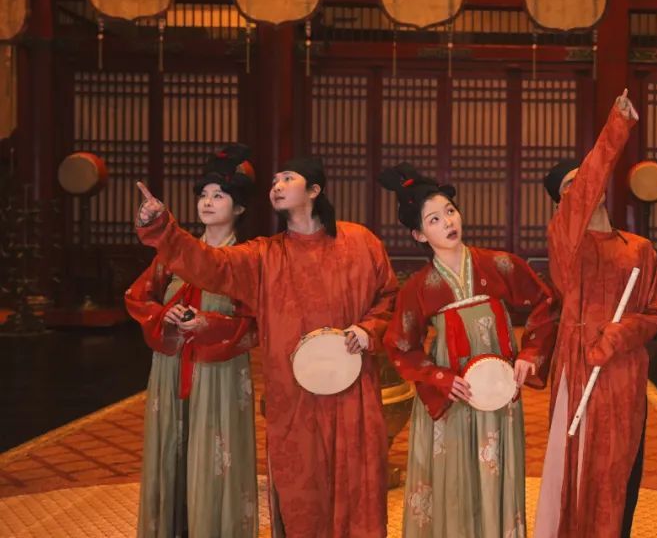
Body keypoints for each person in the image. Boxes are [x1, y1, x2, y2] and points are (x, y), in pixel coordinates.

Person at [133, 156, 398, 538]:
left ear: (314, 189)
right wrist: (162, 228)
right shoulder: (265, 255)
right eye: (274, 181)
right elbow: (210, 264)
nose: (277, 185)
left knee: (359, 483)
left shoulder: (360, 242)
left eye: (288, 178)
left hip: (352, 388)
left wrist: (368, 329)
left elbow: (388, 297)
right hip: (293, 393)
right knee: (301, 489)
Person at [378, 163, 558, 538]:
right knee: (455, 475)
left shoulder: (499, 264)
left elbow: (545, 304)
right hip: (454, 393)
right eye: (434, 219)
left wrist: (530, 354)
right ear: (419, 234)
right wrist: (438, 377)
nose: (448, 222)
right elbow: (401, 345)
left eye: (450, 211)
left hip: (498, 391)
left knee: (496, 468)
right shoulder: (418, 287)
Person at [534, 90, 657, 538]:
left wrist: (620, 334)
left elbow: (656, 310)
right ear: (562, 205)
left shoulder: (639, 248)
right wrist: (617, 125)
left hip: (624, 368)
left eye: (587, 179)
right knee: (578, 464)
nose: (586, 189)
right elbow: (586, 187)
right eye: (571, 187)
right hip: (580, 362)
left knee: (619, 466)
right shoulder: (565, 241)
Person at [126, 144, 259, 538]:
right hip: (170, 368)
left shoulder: (246, 259)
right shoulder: (173, 256)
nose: (207, 202)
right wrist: (162, 315)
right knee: (171, 447)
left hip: (218, 371)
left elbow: (256, 324)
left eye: (219, 195)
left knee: (213, 453)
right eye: (203, 194)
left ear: (240, 207)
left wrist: (209, 324)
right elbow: (138, 297)